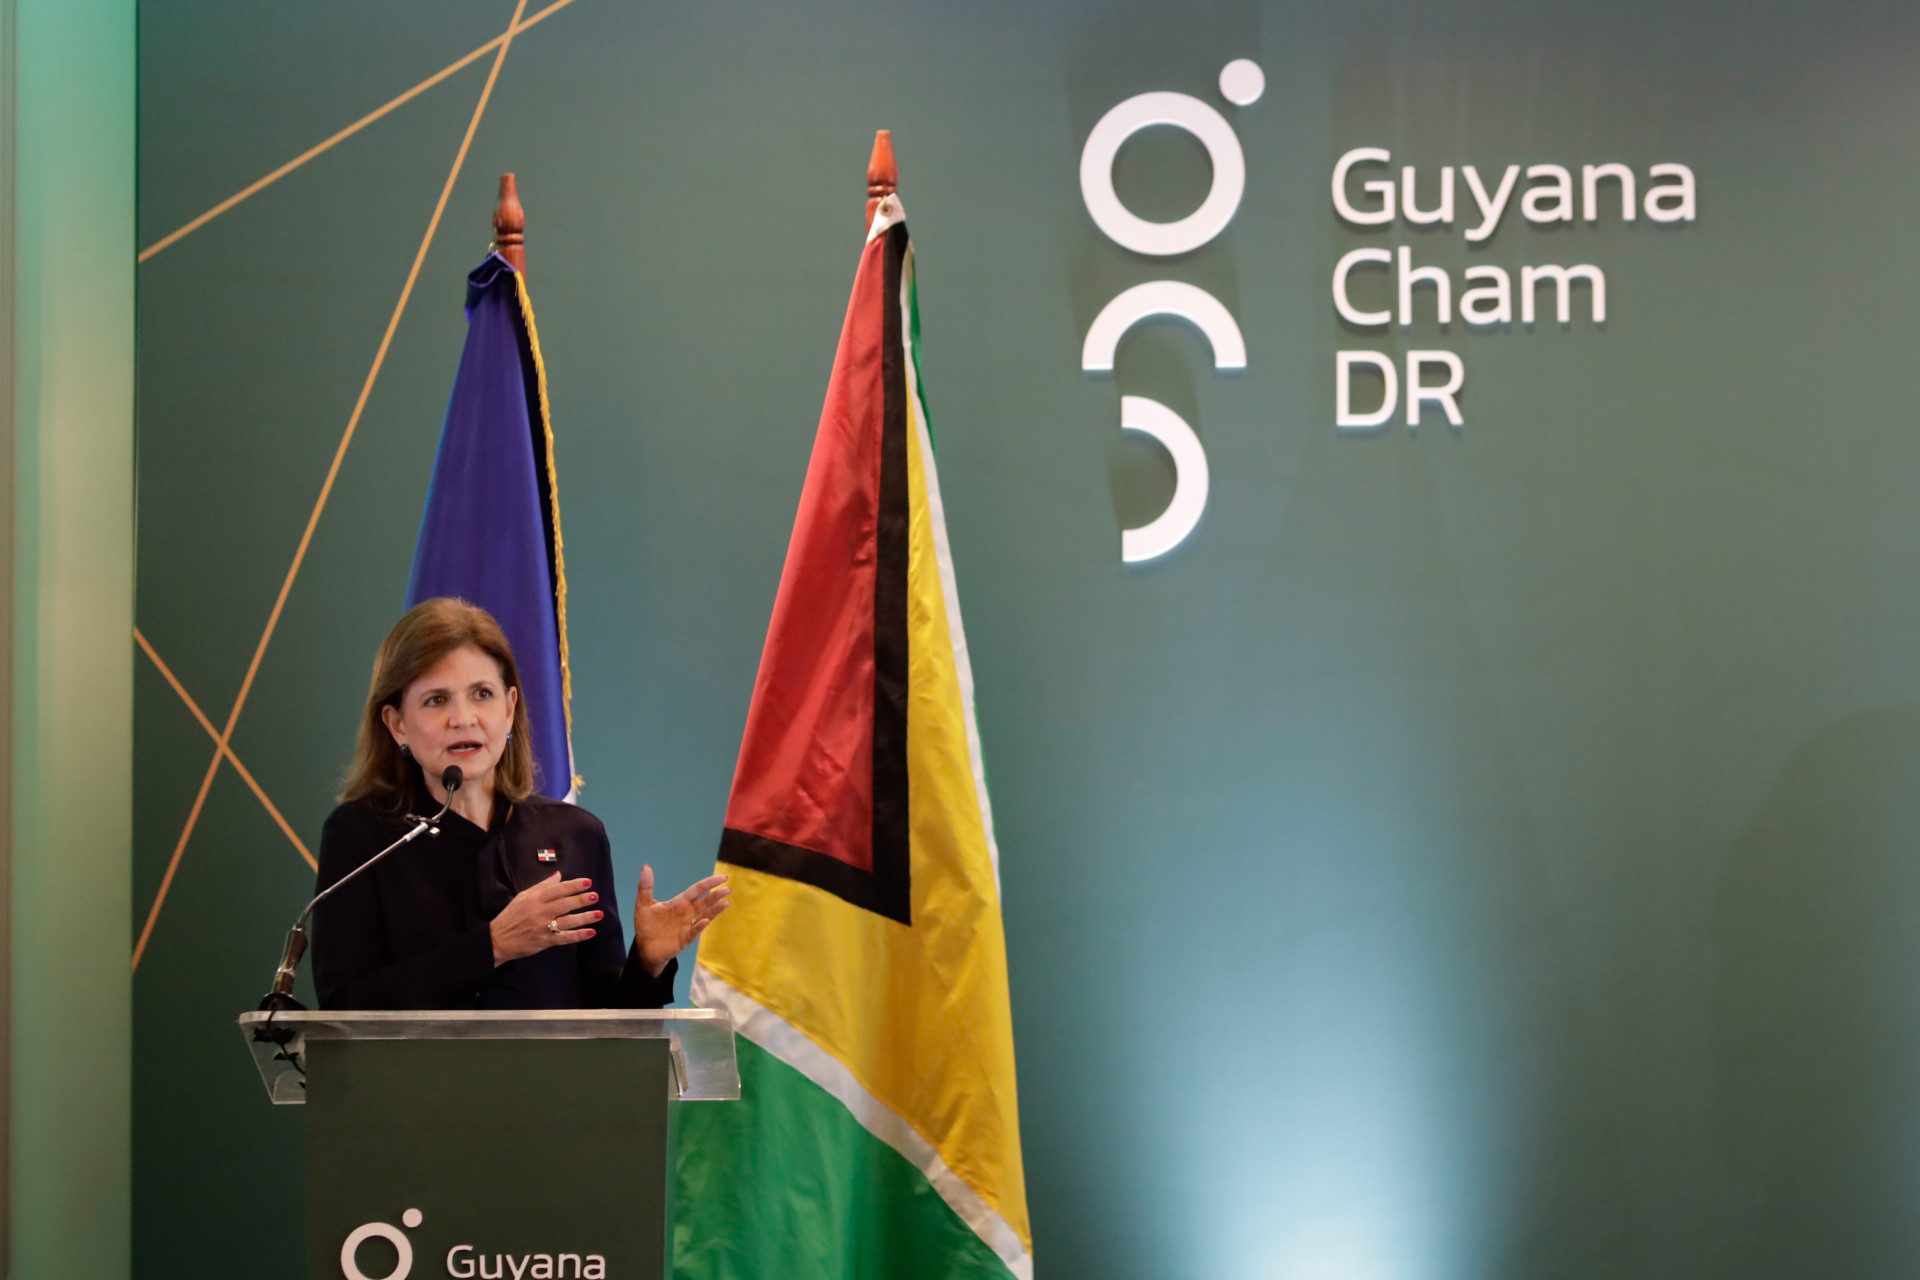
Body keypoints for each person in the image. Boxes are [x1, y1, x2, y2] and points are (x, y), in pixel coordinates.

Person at [310, 598, 729, 1010]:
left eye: (482, 694)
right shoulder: (362, 837)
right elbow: (343, 1005)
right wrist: (493, 945)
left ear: (510, 709)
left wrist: (648, 963)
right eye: (437, 700)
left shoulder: (575, 835)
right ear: (397, 724)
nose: (464, 718)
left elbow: (607, 1017)